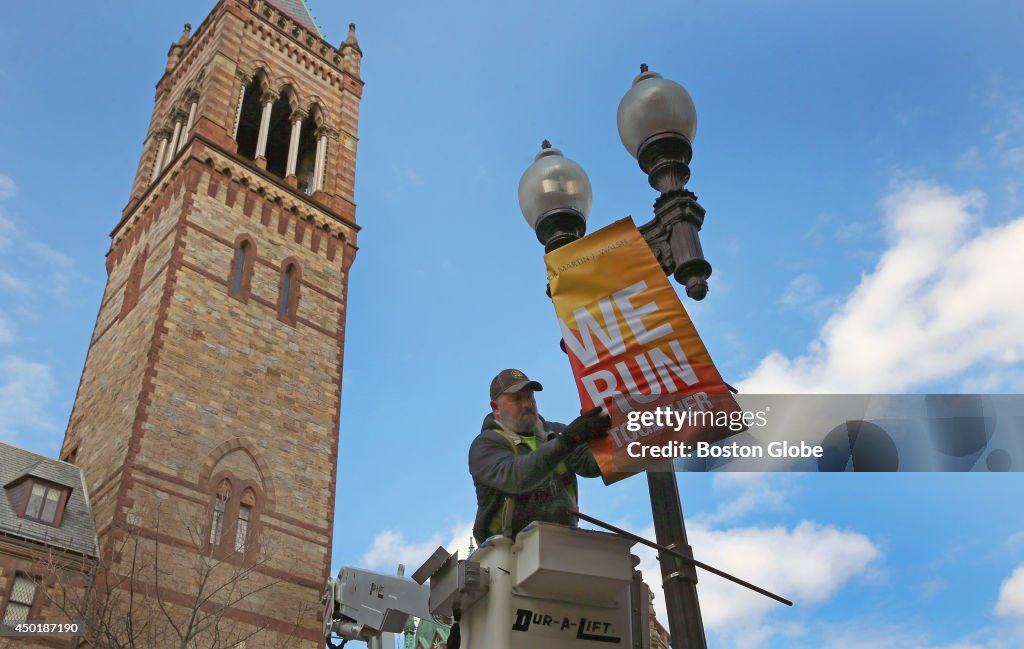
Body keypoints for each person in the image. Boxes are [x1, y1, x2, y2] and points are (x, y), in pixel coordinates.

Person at [469, 368, 611, 544]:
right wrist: (567, 441)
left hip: (563, 544)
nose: (527, 404)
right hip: (508, 556)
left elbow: (593, 465)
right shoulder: (485, 446)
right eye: (516, 399)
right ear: (495, 407)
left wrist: (610, 432)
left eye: (529, 397)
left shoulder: (557, 432)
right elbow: (517, 478)